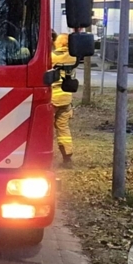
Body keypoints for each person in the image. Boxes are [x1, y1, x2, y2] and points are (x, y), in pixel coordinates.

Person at [51, 33, 77, 168]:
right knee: (63, 129)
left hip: (52, 98)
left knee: (45, 128)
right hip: (66, 99)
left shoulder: (52, 57)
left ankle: (44, 156)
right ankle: (67, 158)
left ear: (59, 43)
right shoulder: (73, 58)